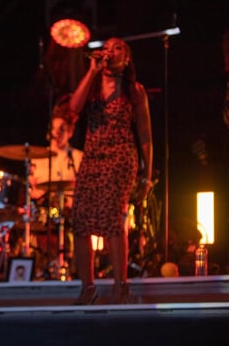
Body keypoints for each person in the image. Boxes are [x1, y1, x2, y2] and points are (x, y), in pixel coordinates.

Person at [68, 37, 153, 304]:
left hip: (120, 159)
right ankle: (88, 287)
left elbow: (146, 135)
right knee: (81, 221)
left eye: (119, 48)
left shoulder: (134, 91)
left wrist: (148, 175)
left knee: (115, 222)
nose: (111, 51)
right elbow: (73, 108)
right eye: (108, 47)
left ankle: (121, 287)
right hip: (92, 158)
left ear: (126, 59)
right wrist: (92, 70)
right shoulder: (92, 86)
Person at [28, 95, 83, 277]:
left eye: (63, 129)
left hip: (68, 214)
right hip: (44, 214)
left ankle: (70, 265)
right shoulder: (38, 157)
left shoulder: (78, 158)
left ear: (70, 132)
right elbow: (33, 192)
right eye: (55, 129)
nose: (58, 133)